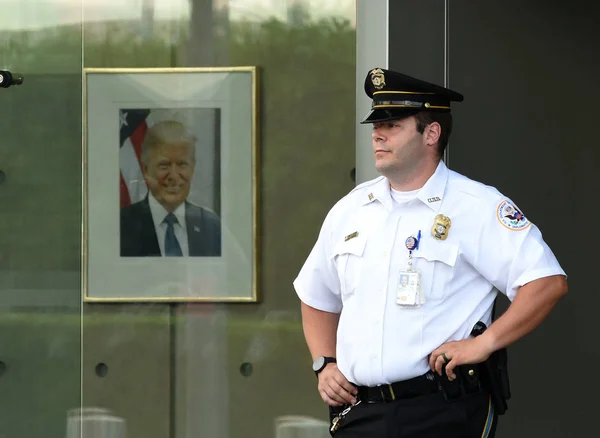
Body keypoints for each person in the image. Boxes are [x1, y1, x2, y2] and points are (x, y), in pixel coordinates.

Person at [293, 68, 568, 438]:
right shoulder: (351, 209)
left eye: (392, 124)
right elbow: (316, 295)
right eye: (376, 124)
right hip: (360, 413)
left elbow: (546, 283)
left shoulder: (475, 205)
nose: (378, 133)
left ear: (431, 133)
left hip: (440, 410)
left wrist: (483, 344)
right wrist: (325, 363)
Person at [120, 120, 221, 257]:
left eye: (182, 164)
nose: (173, 175)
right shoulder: (122, 227)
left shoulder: (212, 227)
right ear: (146, 170)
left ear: (193, 168)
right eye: (164, 165)